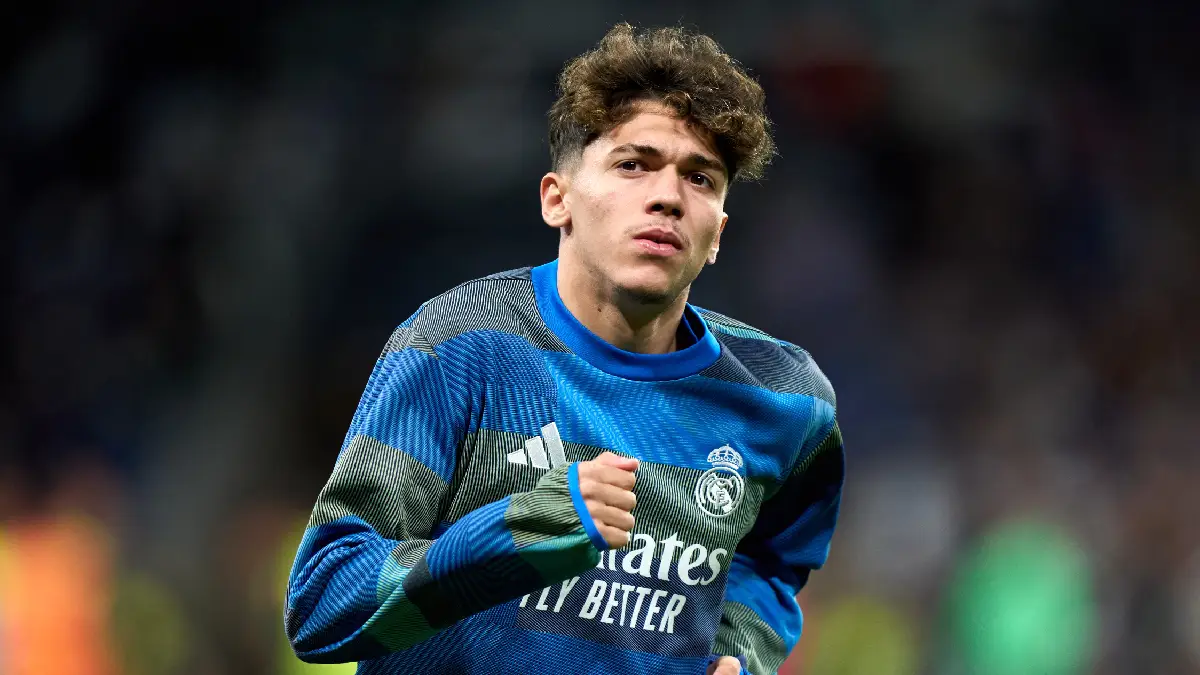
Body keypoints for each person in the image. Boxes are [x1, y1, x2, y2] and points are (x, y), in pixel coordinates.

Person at [285, 22, 845, 675]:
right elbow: (321, 606)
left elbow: (771, 560)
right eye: (633, 164)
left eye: (700, 178)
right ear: (559, 199)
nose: (666, 196)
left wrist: (737, 650)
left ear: (716, 232)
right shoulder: (459, 347)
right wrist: (513, 535)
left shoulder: (785, 398)